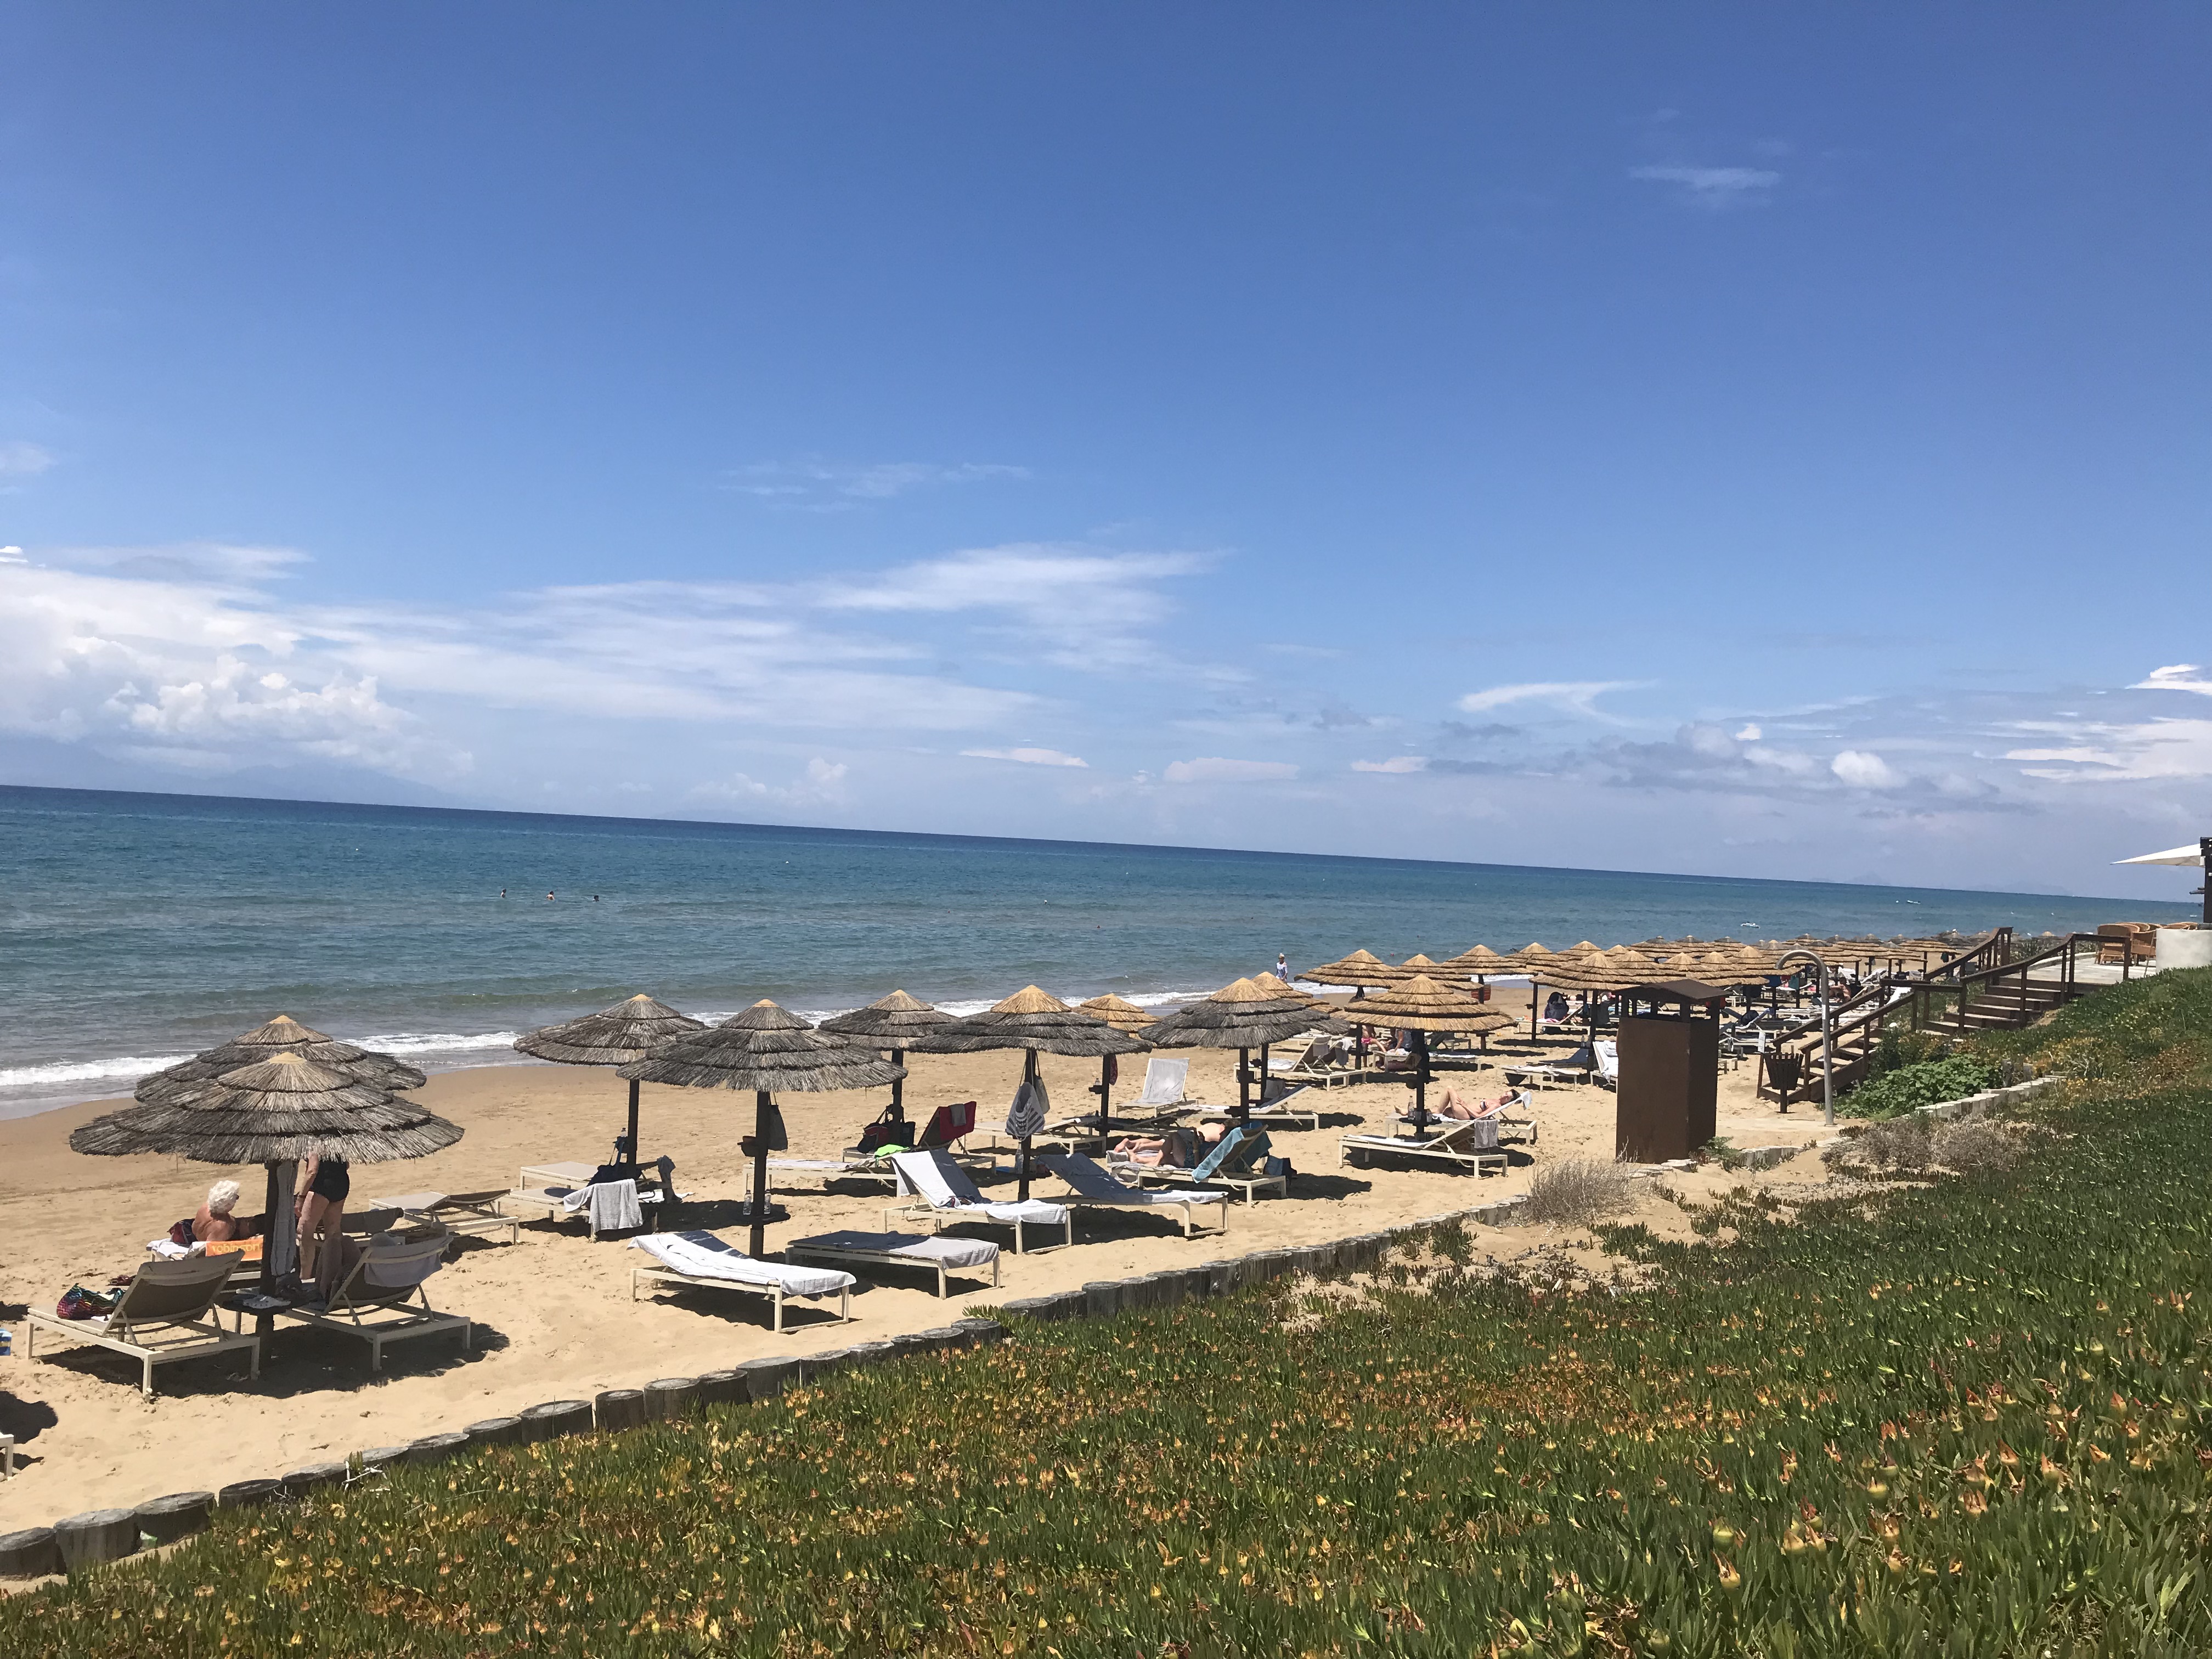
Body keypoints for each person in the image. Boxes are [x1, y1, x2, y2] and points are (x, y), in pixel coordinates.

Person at [295, 1152, 350, 1294]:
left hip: (321, 1186)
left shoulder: (313, 1143)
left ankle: (305, 1279)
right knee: (333, 1232)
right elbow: (347, 1165)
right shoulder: (335, 1141)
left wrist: (301, 1197)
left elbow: (312, 1171)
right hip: (341, 1182)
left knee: (304, 1231)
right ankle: (333, 1278)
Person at [193, 1178, 245, 1242]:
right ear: (227, 1205)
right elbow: (211, 1246)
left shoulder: (205, 1207)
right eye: (236, 1198)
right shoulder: (221, 1226)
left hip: (197, 1236)